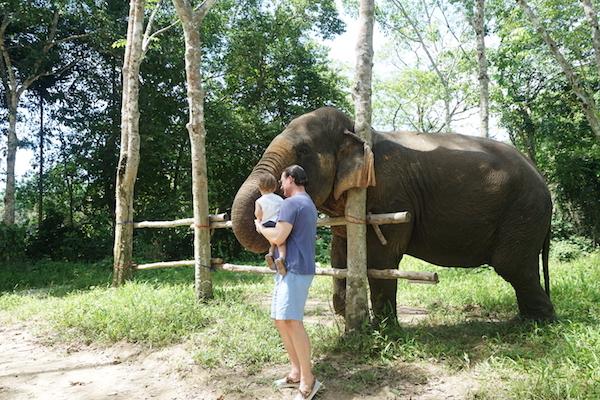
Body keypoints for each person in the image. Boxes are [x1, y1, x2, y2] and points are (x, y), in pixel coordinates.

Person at [255, 165, 321, 400]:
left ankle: (308, 380)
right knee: (281, 320)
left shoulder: (292, 203)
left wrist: (261, 227)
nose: (281, 186)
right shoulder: (307, 202)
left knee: (292, 321)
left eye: (283, 181)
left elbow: (278, 236)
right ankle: (295, 372)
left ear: (291, 179)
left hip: (295, 269)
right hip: (292, 269)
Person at [254, 173, 287, 276]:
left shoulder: (259, 201)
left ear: (259, 188)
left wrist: (259, 220)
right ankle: (281, 258)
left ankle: (271, 254)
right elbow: (284, 211)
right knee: (281, 242)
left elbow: (258, 214)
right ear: (274, 186)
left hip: (266, 224)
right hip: (277, 223)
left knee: (272, 242)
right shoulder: (279, 199)